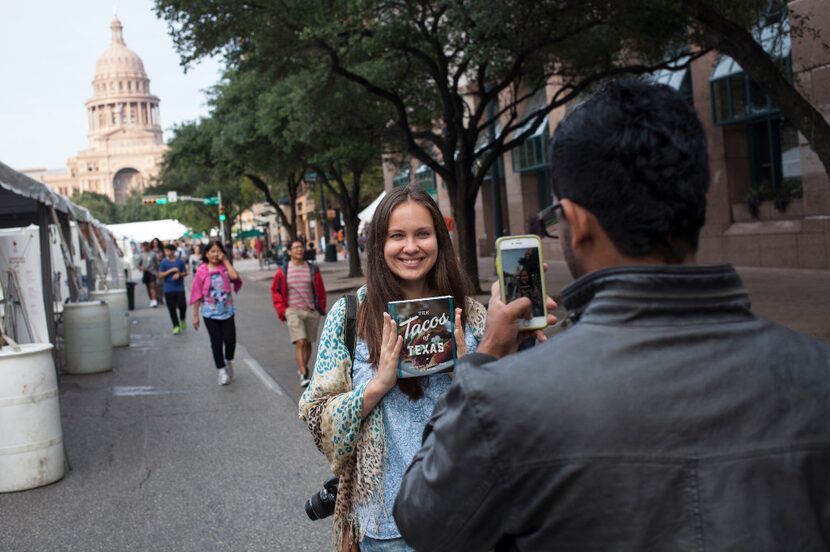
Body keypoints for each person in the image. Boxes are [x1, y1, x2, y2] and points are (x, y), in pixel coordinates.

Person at [393, 79, 830, 551]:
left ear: (576, 222)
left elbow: (422, 518)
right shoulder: (816, 376)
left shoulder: (500, 400)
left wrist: (482, 362)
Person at [299, 187, 488, 552]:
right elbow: (315, 414)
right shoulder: (351, 315)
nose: (411, 247)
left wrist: (470, 374)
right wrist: (377, 385)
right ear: (379, 244)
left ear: (439, 240)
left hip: (469, 518)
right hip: (387, 528)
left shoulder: (472, 315)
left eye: (422, 234)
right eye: (396, 236)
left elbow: (506, 417)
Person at [270, 239, 327, 387]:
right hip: (293, 311)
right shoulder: (283, 271)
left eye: (301, 247)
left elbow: (320, 289)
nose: (299, 250)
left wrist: (320, 307)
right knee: (300, 342)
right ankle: (303, 373)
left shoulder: (312, 268)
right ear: (289, 251)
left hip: (311, 311)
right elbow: (276, 292)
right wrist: (283, 310)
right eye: (295, 248)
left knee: (308, 343)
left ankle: (303, 367)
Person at [190, 239, 242, 386]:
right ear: (206, 253)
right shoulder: (201, 271)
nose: (215, 254)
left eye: (218, 251)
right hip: (209, 313)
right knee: (216, 341)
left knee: (230, 340)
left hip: (227, 311)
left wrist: (225, 260)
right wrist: (195, 316)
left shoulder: (225, 267)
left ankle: (228, 360)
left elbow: (235, 277)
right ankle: (221, 371)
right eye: (212, 251)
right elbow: (196, 294)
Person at [159, 243, 188, 335]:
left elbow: (185, 273)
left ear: (172, 251)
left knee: (182, 305)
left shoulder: (180, 261)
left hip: (179, 288)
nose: (166, 252)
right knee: (171, 309)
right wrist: (171, 271)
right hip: (168, 289)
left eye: (168, 250)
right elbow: (160, 275)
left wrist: (179, 274)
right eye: (165, 251)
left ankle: (182, 318)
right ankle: (175, 326)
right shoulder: (163, 262)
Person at [137, 241, 159, 308]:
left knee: (152, 285)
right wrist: (141, 268)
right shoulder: (141, 255)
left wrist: (158, 272)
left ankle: (154, 300)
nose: (145, 247)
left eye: (146, 246)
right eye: (144, 246)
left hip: (152, 272)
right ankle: (152, 299)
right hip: (145, 273)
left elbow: (156, 264)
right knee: (148, 287)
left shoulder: (153, 254)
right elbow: (138, 264)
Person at [150, 237, 165, 305]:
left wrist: (161, 258)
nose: (155, 244)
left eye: (156, 242)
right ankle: (156, 297)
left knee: (160, 284)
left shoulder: (161, 250)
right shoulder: (151, 251)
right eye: (154, 242)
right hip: (153, 269)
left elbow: (165, 258)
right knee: (154, 284)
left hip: (161, 268)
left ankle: (160, 297)